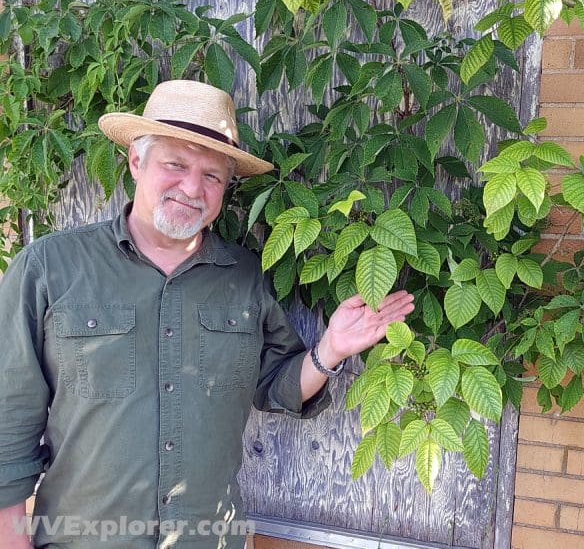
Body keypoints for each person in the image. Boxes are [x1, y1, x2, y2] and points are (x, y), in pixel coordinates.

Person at [0, 80, 414, 548]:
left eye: (213, 176)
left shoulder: (245, 276)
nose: (192, 188)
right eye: (175, 164)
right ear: (136, 160)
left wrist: (330, 349)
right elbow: (8, 419)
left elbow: (275, 384)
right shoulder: (49, 269)